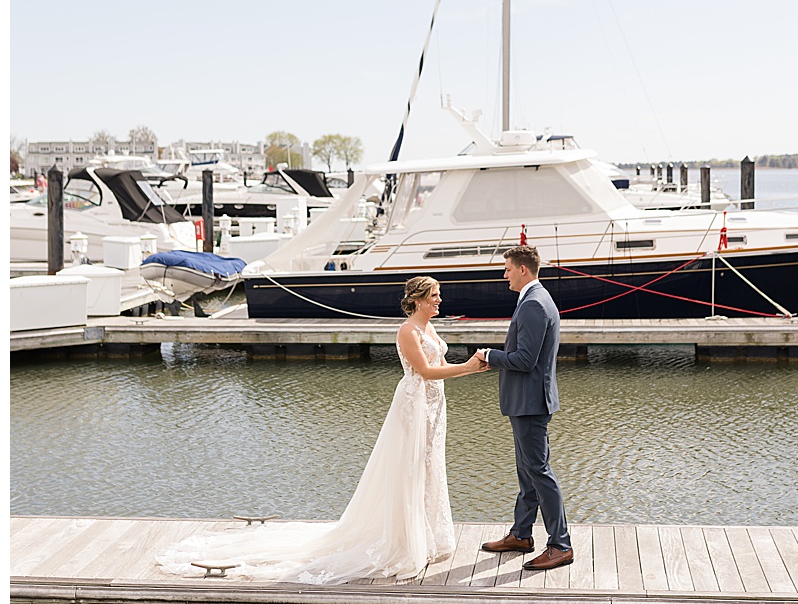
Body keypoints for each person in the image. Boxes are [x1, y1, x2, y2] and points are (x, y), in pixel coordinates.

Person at [156, 276, 483, 583]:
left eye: (439, 295)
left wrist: (469, 370)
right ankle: (406, 541)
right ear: (418, 300)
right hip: (414, 406)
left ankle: (426, 536)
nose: (440, 300)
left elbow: (437, 368)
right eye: (434, 296)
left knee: (428, 468)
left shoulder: (430, 327)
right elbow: (425, 371)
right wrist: (468, 368)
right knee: (410, 471)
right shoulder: (407, 332)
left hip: (434, 407)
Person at [476, 244, 574, 571]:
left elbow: (525, 359)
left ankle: (560, 544)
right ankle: (521, 534)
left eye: (506, 269)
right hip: (526, 402)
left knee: (540, 472)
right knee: (527, 472)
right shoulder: (534, 300)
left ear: (522, 269)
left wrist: (489, 356)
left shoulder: (533, 304)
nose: (504, 275)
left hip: (531, 404)